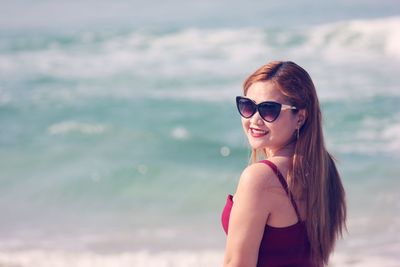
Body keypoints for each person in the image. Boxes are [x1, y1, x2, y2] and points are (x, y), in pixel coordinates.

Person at [221, 61, 346, 267]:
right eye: (248, 106)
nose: (255, 119)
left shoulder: (261, 178)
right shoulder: (324, 166)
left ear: (300, 117)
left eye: (269, 109)